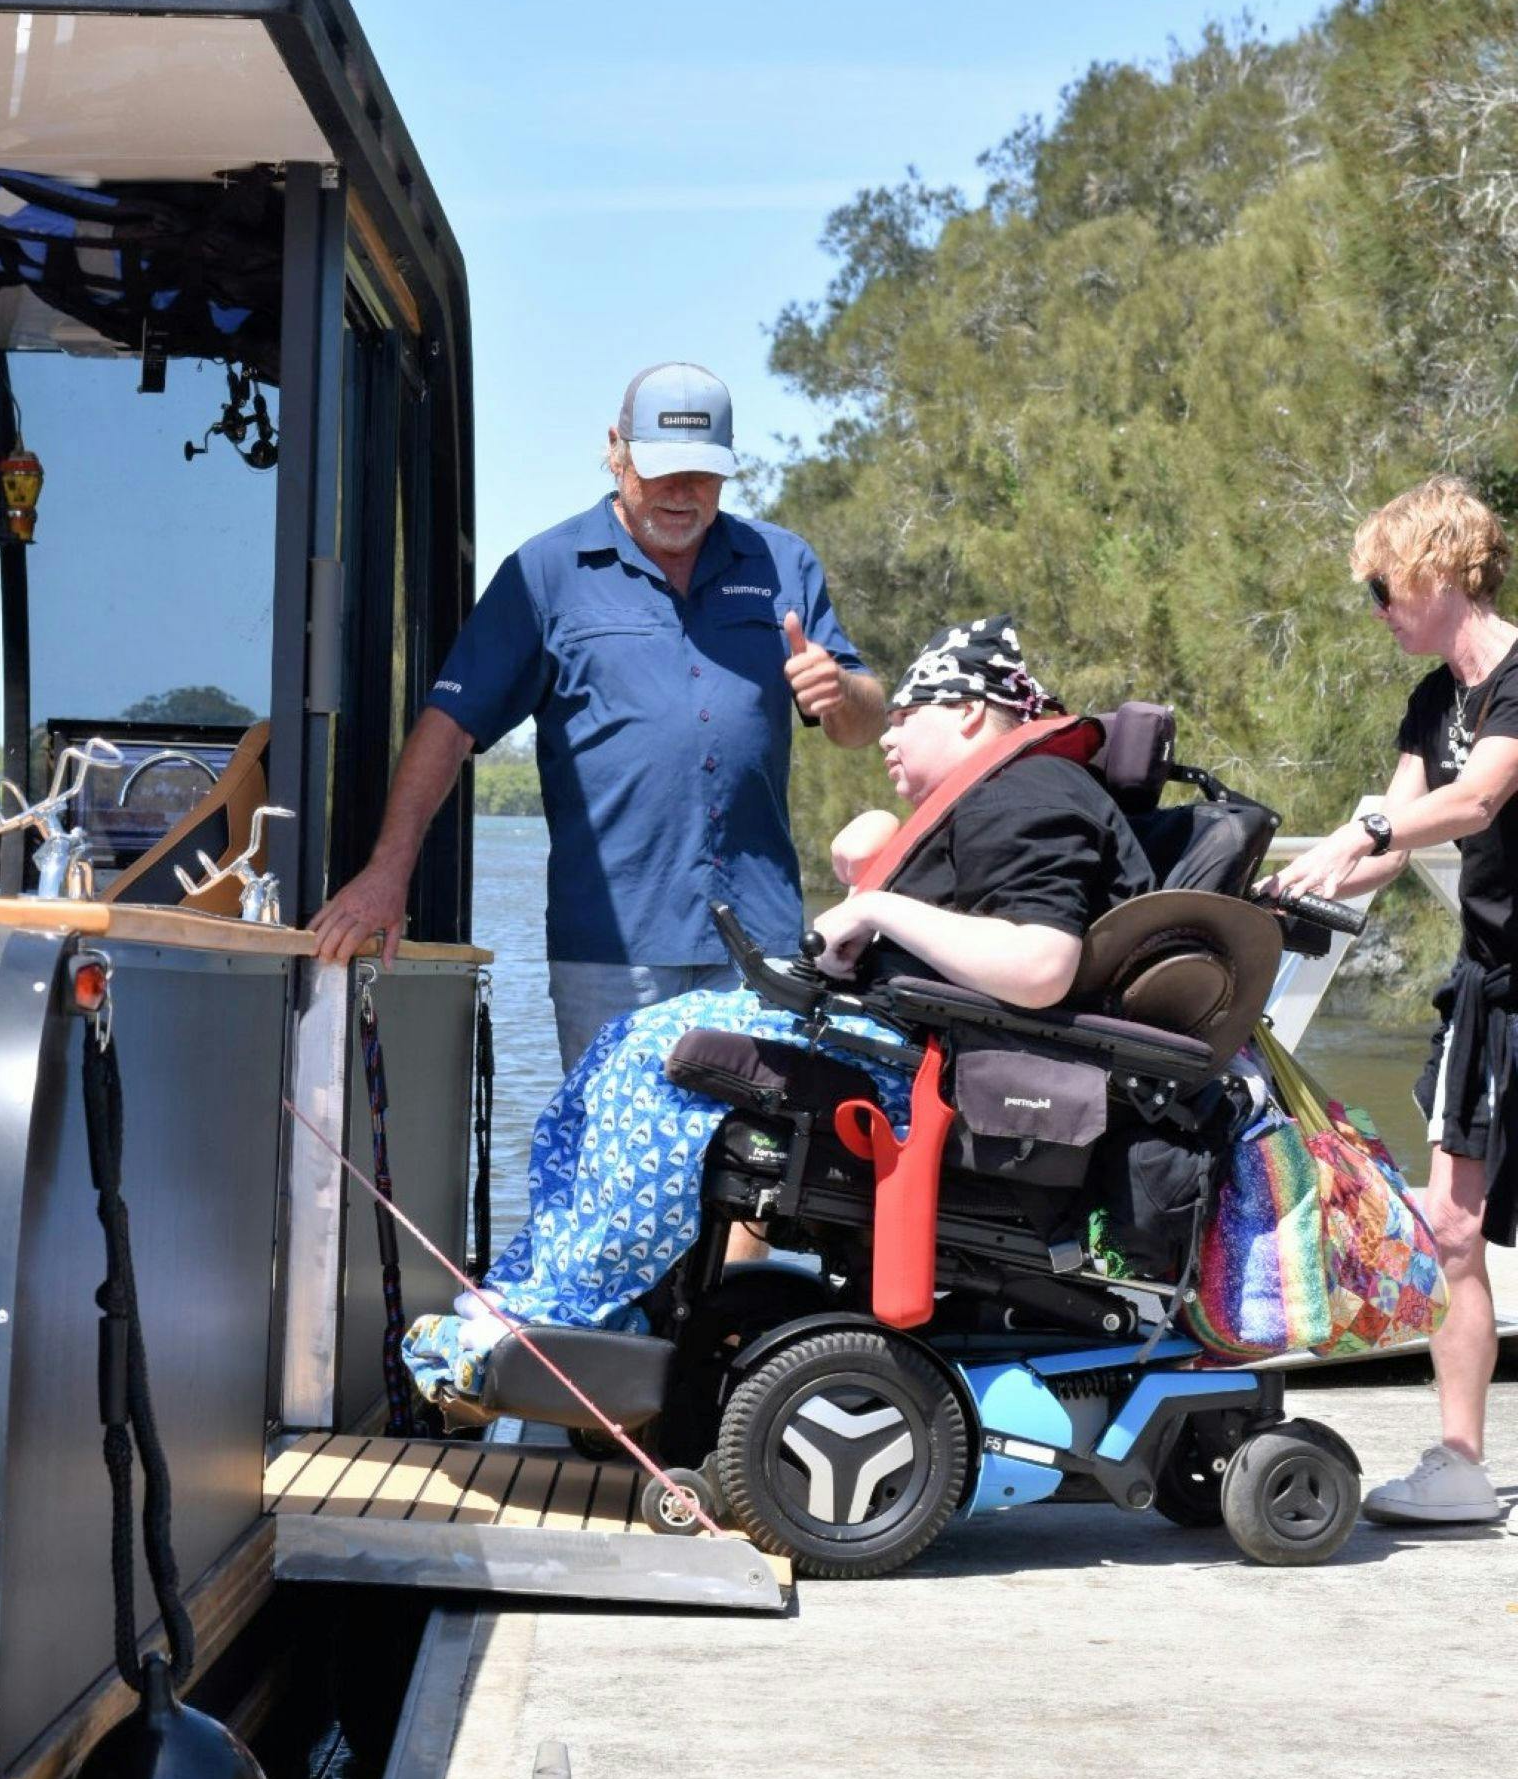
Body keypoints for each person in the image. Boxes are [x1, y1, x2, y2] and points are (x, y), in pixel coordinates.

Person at [404, 617, 1153, 1404]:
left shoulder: (1027, 789)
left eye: (905, 717)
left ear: (969, 711)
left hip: (949, 1079)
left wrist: (882, 914)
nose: (888, 738)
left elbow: (1040, 965)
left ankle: (568, 1315)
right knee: (630, 1041)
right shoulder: (1001, 794)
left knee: (662, 1063)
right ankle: (560, 1298)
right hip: (926, 1047)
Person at [310, 362, 886, 1068]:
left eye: (702, 475)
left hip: (761, 949)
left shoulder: (781, 562)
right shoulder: (545, 573)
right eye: (663, 470)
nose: (682, 494)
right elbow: (448, 725)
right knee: (609, 1167)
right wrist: (386, 874)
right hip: (610, 956)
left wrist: (839, 691)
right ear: (617, 449)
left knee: (756, 1169)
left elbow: (861, 724)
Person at [1270, 476, 1518, 1526]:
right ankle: (1460, 1465)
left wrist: (1366, 839)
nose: (1377, 610)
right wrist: (1304, 873)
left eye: (1383, 587)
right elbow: (1393, 824)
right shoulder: (1433, 702)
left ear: (1436, 570)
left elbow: (1477, 798)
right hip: (1488, 989)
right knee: (1451, 1231)